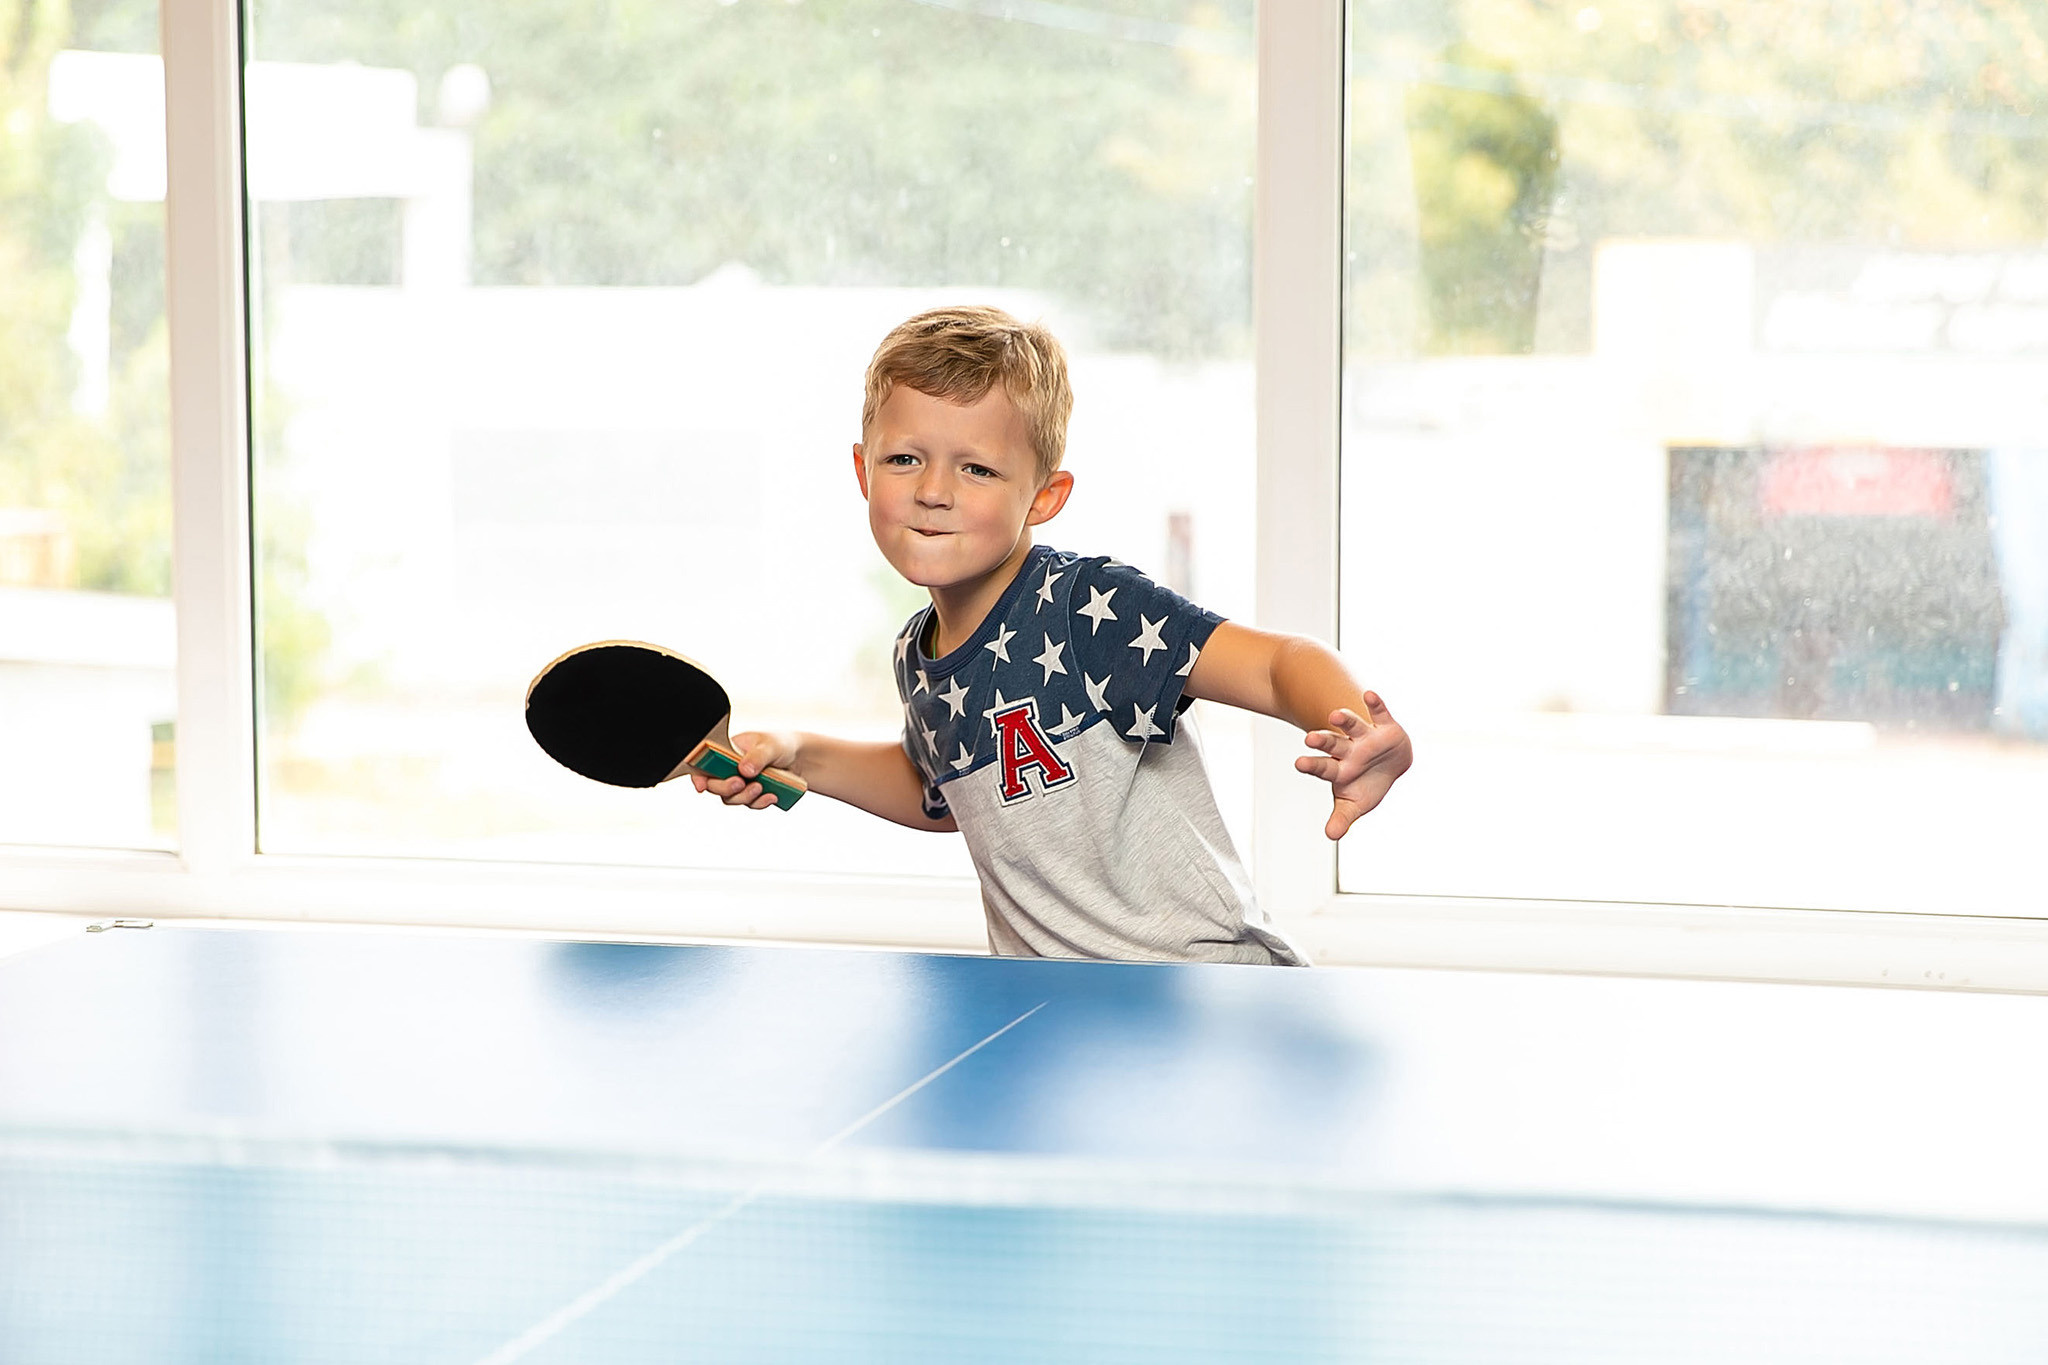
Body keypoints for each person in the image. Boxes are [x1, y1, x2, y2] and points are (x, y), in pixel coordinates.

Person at [692, 306, 1412, 965]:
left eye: (976, 467)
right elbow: (941, 793)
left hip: (1201, 989)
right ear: (862, 469)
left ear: (1043, 497)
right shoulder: (919, 655)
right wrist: (798, 753)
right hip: (1063, 1015)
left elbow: (1279, 662)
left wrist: (1352, 725)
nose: (933, 489)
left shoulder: (1085, 608)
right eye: (904, 458)